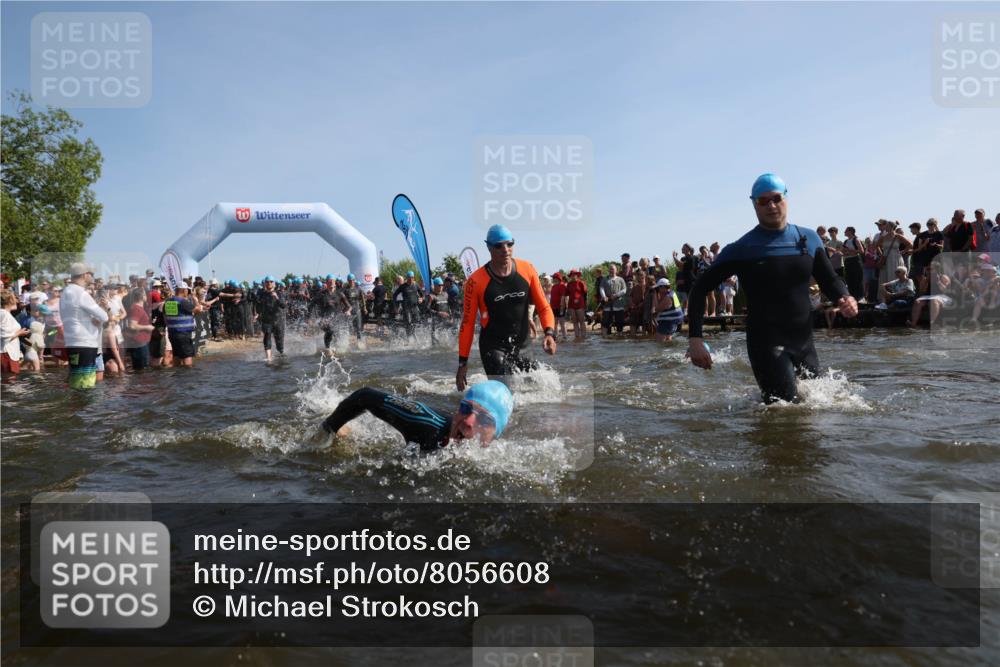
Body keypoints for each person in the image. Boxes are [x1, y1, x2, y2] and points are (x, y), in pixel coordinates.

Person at [686, 174, 858, 403]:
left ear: (786, 198)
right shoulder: (743, 248)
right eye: (763, 201)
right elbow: (699, 288)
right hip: (766, 344)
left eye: (776, 198)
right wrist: (695, 340)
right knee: (783, 409)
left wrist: (844, 297)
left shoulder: (809, 239)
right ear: (753, 204)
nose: (771, 205)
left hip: (804, 343)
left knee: (816, 411)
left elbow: (830, 279)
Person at [456, 224, 555, 390]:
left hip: (523, 345)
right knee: (506, 392)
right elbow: (467, 324)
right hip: (493, 347)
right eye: (499, 245)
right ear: (489, 247)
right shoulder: (475, 281)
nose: (505, 249)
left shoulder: (527, 269)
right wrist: (462, 363)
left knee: (540, 391)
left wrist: (549, 333)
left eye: (510, 244)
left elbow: (543, 307)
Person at [312, 380, 514, 451]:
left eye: (484, 419)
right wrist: (326, 432)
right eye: (465, 409)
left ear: (498, 433)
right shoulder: (426, 423)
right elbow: (364, 396)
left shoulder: (506, 460)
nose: (469, 421)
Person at [60, 262, 109, 389]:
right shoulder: (81, 293)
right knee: (85, 385)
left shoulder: (65, 292)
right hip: (85, 344)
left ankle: (74, 407)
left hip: (72, 342)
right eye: (91, 274)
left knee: (76, 382)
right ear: (84, 275)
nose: (92, 276)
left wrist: (91, 318)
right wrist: (99, 314)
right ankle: (84, 408)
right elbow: (104, 317)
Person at [164, 282, 199, 367]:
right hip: (183, 334)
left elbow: (165, 317)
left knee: (176, 356)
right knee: (187, 356)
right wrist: (195, 299)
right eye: (187, 290)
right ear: (184, 290)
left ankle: (177, 375)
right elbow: (197, 309)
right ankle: (187, 377)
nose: (188, 292)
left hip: (172, 333)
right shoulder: (183, 302)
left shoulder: (168, 302)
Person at [256, 276, 286, 362]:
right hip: (266, 320)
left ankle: (281, 354)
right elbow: (258, 305)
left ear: (274, 283)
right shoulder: (262, 294)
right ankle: (268, 358)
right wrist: (257, 314)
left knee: (279, 344)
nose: (269, 283)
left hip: (278, 321)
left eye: (271, 281)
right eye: (267, 282)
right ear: (265, 283)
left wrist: (276, 297)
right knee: (267, 337)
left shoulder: (279, 293)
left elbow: (283, 305)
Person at [1, 290, 29, 380]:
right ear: (9, 301)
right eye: (15, 298)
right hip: (6, 352)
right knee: (9, 382)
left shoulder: (5, 313)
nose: (17, 301)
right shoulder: (4, 314)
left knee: (9, 382)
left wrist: (20, 333)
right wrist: (19, 333)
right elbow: (4, 336)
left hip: (7, 352)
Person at [124, 287, 154, 370]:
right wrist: (147, 327)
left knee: (141, 369)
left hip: (140, 342)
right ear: (142, 296)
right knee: (141, 369)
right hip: (139, 343)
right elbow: (132, 325)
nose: (146, 296)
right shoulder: (137, 309)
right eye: (145, 294)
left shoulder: (137, 308)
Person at [652, 278, 684, 342]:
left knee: (659, 343)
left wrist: (654, 294)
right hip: (672, 322)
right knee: (667, 342)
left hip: (668, 322)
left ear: (663, 287)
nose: (657, 290)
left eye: (658, 288)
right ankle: (669, 351)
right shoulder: (671, 293)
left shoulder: (668, 297)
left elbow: (657, 309)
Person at [599, 263, 628, 335]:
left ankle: (619, 338)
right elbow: (601, 288)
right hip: (607, 305)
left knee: (619, 323)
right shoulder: (604, 279)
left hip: (618, 304)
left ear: (616, 270)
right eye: (610, 269)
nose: (611, 270)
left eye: (613, 269)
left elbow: (624, 290)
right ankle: (606, 339)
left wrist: (616, 295)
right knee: (606, 323)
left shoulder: (620, 279)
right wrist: (604, 296)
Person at [393, 271, 424, 337]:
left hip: (414, 307)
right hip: (406, 308)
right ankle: (409, 338)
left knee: (417, 322)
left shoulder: (416, 285)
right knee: (408, 323)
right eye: (409, 278)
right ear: (407, 278)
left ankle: (414, 335)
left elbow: (422, 294)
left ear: (413, 278)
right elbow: (394, 295)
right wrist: (396, 306)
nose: (411, 279)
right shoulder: (403, 286)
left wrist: (421, 298)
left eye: (412, 278)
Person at [426, 276, 452, 343]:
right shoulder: (431, 296)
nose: (441, 287)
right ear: (435, 286)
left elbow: (448, 306)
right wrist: (438, 313)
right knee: (435, 342)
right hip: (436, 323)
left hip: (445, 321)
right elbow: (427, 309)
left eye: (442, 285)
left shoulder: (445, 294)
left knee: (446, 341)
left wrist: (451, 316)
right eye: (439, 285)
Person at [564, 269, 588, 340]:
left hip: (580, 304)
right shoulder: (569, 284)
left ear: (577, 275)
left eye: (574, 274)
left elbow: (585, 293)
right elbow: (566, 294)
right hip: (571, 304)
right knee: (574, 321)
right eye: (572, 275)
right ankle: (577, 336)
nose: (573, 276)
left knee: (581, 321)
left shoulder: (581, 283)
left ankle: (583, 336)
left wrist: (585, 303)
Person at [549, 272, 568, 340]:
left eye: (553, 278)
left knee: (562, 322)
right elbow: (552, 297)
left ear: (557, 278)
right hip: (553, 307)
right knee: (555, 322)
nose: (553, 279)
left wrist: (562, 306)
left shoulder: (562, 285)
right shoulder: (553, 286)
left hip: (560, 307)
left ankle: (565, 336)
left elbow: (563, 296)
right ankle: (556, 336)